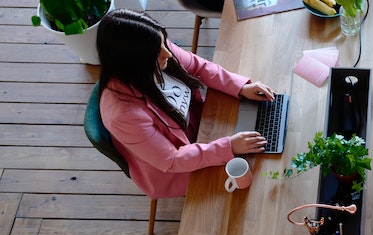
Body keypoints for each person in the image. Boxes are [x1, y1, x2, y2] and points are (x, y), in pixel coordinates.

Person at [97, 9, 275, 198]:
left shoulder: (154, 48)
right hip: (176, 168)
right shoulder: (123, 115)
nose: (169, 53)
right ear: (133, 63)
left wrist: (240, 87)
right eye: (158, 52)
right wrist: (228, 147)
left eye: (164, 42)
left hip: (201, 128)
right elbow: (172, 160)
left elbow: (199, 67)